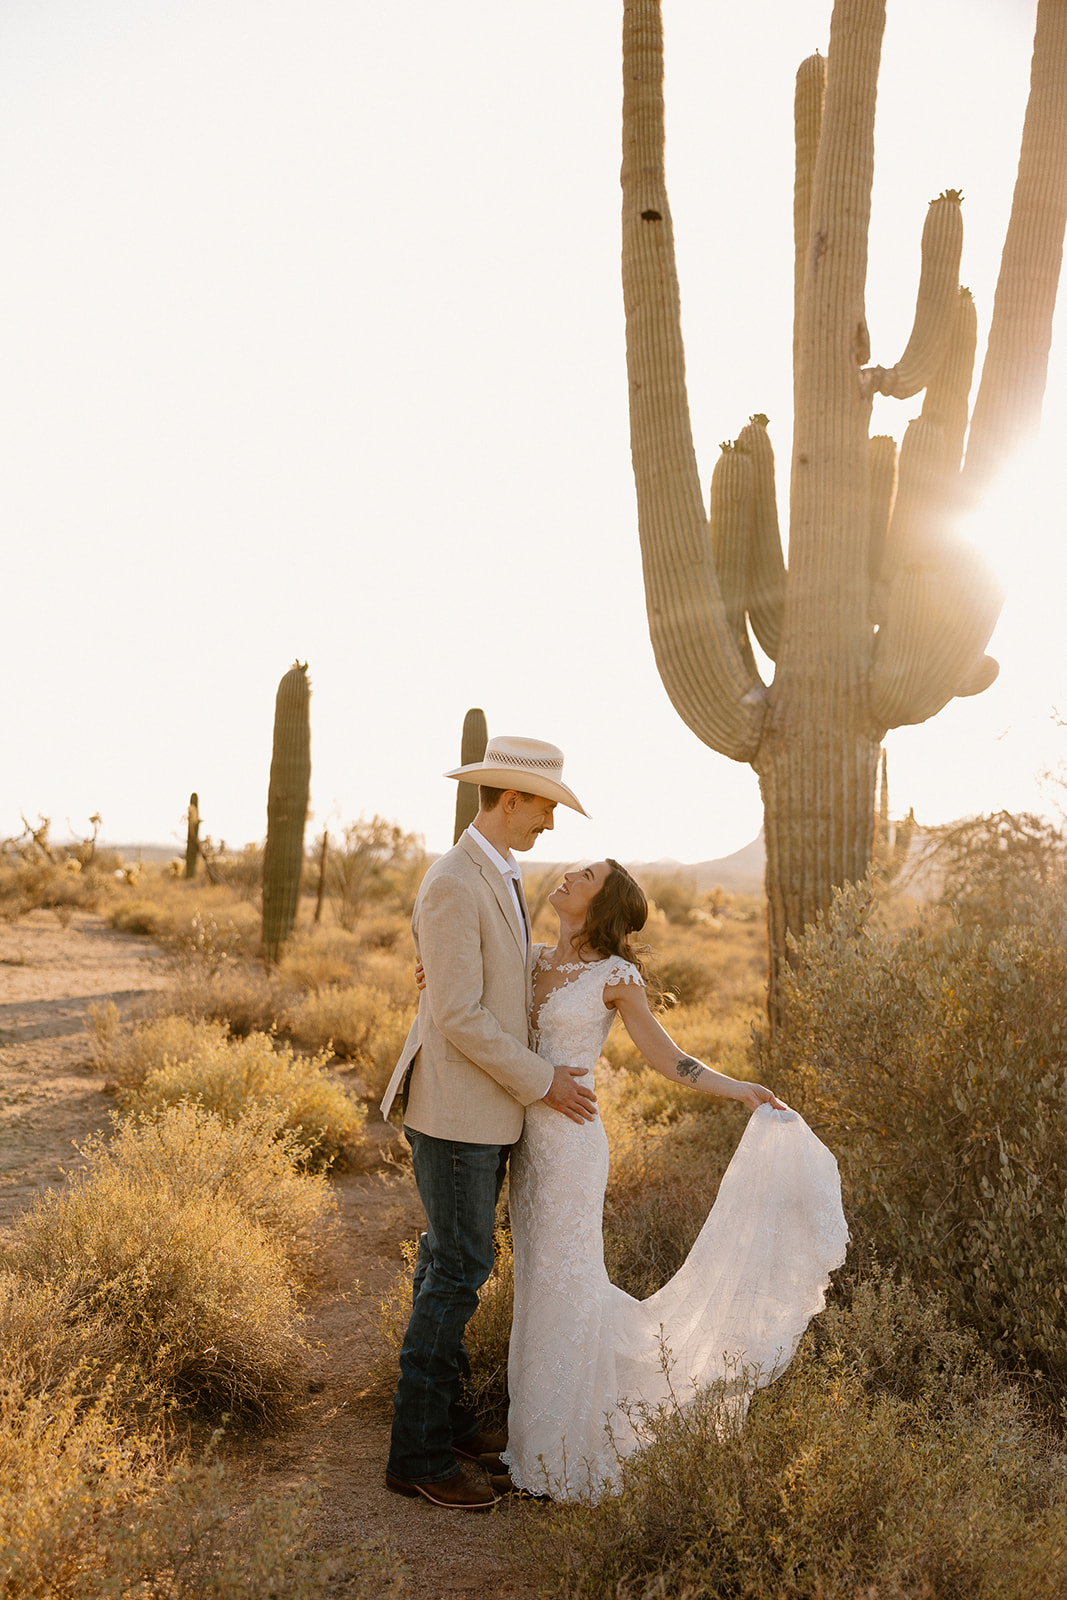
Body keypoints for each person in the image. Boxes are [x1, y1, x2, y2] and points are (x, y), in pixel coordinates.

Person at [489, 858, 848, 1502]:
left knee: (567, 1282)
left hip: (572, 1145)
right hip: (527, 1146)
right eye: (573, 869)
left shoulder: (616, 978)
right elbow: (480, 995)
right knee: (537, 1283)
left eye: (586, 877)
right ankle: (533, 1442)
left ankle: (563, 1452)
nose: (568, 876)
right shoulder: (531, 955)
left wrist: (738, 1089)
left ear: (603, 906)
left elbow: (666, 1056)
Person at [378, 735, 593, 1510]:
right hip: (458, 1111)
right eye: (543, 807)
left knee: (450, 1264)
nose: (549, 824)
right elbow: (462, 1017)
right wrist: (544, 1083)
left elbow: (480, 983)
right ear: (509, 801)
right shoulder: (452, 881)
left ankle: (439, 1416)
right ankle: (418, 1454)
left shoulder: (497, 873)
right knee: (457, 1273)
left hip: (481, 1109)